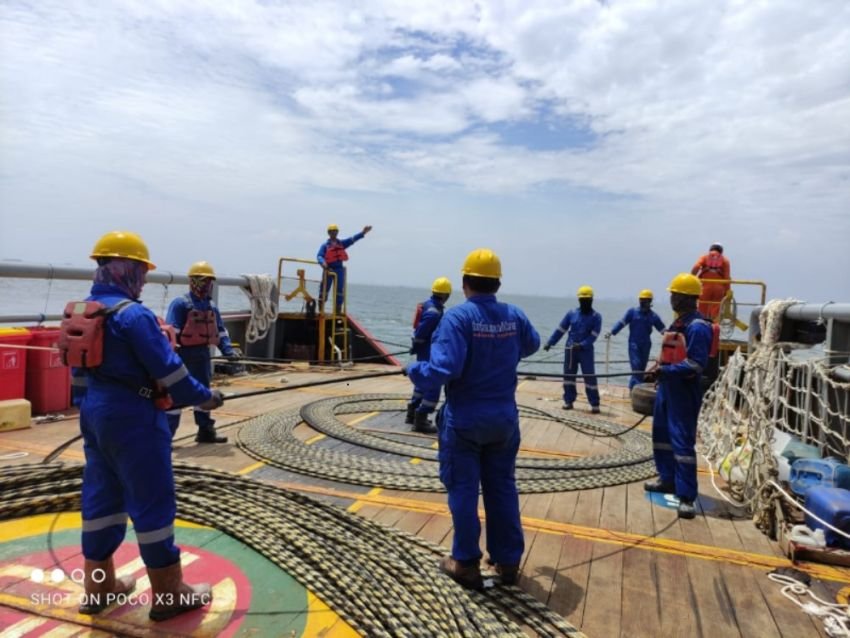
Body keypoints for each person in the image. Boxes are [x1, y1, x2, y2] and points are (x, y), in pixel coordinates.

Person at [67, 231, 223, 620]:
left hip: (94, 416)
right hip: (134, 419)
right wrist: (205, 397)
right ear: (131, 270)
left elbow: (78, 375)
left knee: (102, 497)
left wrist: (92, 411)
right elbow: (170, 374)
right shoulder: (133, 316)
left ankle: (99, 587)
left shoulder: (84, 310)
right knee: (152, 500)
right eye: (141, 271)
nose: (142, 279)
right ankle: (170, 594)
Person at [405, 249, 539, 590]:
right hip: (504, 421)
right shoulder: (515, 315)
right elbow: (532, 344)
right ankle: (507, 562)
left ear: (465, 283)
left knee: (464, 489)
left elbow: (441, 369)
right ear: (496, 282)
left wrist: (412, 369)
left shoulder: (457, 319)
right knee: (502, 487)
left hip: (465, 420)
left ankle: (465, 562)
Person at [643, 273, 713, 519]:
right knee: (661, 436)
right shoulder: (678, 325)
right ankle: (667, 479)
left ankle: (686, 496)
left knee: (682, 443)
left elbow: (695, 364)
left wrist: (667, 371)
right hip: (667, 390)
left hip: (683, 392)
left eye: (674, 294)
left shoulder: (697, 328)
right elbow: (670, 354)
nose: (671, 298)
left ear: (686, 297)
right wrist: (657, 368)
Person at [166, 260, 240, 443]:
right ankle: (165, 437)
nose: (205, 285)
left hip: (202, 356)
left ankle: (205, 431)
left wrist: (228, 351)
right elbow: (171, 333)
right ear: (192, 281)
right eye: (201, 280)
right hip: (182, 357)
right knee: (175, 396)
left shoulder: (211, 307)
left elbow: (221, 331)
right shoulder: (180, 304)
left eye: (208, 281)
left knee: (204, 393)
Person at [543, 285, 602, 413]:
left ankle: (594, 403)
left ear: (591, 300)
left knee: (589, 377)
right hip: (570, 351)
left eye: (587, 300)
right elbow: (561, 329)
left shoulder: (596, 317)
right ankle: (568, 401)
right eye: (582, 300)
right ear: (579, 300)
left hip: (586, 352)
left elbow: (594, 335)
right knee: (569, 376)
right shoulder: (571, 314)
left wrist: (582, 344)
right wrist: (550, 342)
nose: (584, 302)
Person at [406, 277, 452, 434]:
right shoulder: (434, 312)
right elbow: (422, 331)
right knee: (433, 384)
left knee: (421, 380)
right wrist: (417, 344)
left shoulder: (428, 305)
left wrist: (415, 346)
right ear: (446, 294)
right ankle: (421, 418)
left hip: (424, 349)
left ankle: (412, 410)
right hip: (429, 350)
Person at [604, 289, 666, 390]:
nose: (643, 302)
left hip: (646, 344)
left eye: (646, 300)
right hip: (634, 344)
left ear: (650, 302)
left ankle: (631, 388)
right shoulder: (632, 312)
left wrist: (674, 336)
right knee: (636, 367)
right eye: (641, 300)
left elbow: (663, 329)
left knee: (641, 368)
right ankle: (639, 390)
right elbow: (621, 323)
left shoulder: (653, 316)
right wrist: (612, 332)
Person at [317, 223, 372, 312]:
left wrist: (363, 233)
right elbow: (319, 256)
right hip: (328, 270)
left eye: (335, 231)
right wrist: (324, 264)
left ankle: (338, 310)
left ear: (337, 232)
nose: (334, 233)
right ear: (329, 233)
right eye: (332, 231)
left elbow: (352, 239)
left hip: (339, 270)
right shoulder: (325, 246)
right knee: (324, 289)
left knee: (339, 290)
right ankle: (321, 309)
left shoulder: (341, 244)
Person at [690, 243, 730, 320]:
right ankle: (713, 325)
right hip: (719, 289)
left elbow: (696, 267)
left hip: (705, 287)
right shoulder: (725, 260)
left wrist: (691, 278)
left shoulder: (704, 257)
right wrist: (727, 293)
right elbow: (727, 278)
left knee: (702, 309)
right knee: (715, 310)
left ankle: (701, 324)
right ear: (721, 251)